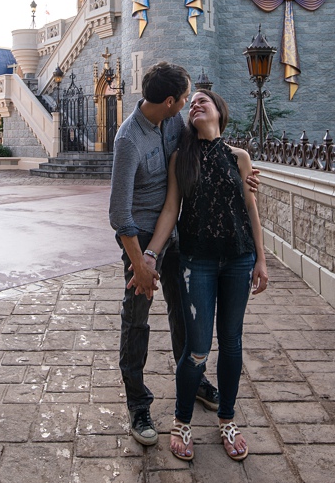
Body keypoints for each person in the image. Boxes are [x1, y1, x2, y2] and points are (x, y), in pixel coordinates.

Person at [141, 89, 268, 462]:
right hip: (197, 263)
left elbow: (251, 210)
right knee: (197, 348)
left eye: (203, 101)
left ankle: (227, 419)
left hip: (239, 260)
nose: (196, 104)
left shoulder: (240, 158)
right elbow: (170, 211)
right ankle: (182, 421)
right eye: (191, 102)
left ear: (219, 111)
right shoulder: (181, 158)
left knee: (231, 341)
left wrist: (261, 259)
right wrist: (150, 254)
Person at [109, 62, 222, 447]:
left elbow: (210, 140)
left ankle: (194, 378)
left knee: (184, 310)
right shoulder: (128, 140)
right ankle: (138, 403)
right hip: (139, 239)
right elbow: (118, 213)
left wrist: (244, 168)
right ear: (170, 100)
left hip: (176, 234)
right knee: (137, 320)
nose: (189, 102)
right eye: (185, 96)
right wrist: (139, 264)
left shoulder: (174, 123)